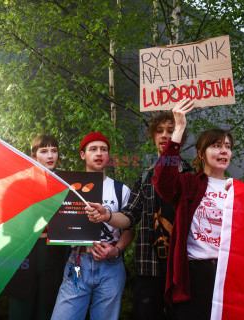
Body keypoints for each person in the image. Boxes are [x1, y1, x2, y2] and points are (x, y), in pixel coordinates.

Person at [86, 110, 192, 320]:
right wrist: (107, 215)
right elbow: (128, 217)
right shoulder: (145, 177)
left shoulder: (191, 176)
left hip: (183, 269)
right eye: (159, 131)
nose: (165, 135)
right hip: (149, 267)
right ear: (153, 136)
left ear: (180, 135)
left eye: (171, 131)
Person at [148, 98, 234, 319]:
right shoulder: (189, 183)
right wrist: (179, 128)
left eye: (227, 146)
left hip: (229, 273)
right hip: (195, 274)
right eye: (216, 145)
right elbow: (163, 179)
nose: (223, 151)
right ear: (200, 153)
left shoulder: (236, 189)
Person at [51, 132, 134, 320]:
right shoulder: (68, 187)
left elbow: (129, 230)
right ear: (83, 154)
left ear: (108, 156)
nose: (99, 153)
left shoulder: (121, 190)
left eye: (104, 150)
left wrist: (117, 250)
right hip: (78, 260)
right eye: (93, 149)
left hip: (111, 265)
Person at [5, 134, 68, 320]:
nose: (50, 156)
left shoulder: (65, 184)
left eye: (54, 151)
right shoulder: (19, 183)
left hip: (54, 253)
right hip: (24, 253)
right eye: (44, 151)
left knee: (47, 310)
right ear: (33, 156)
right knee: (21, 310)